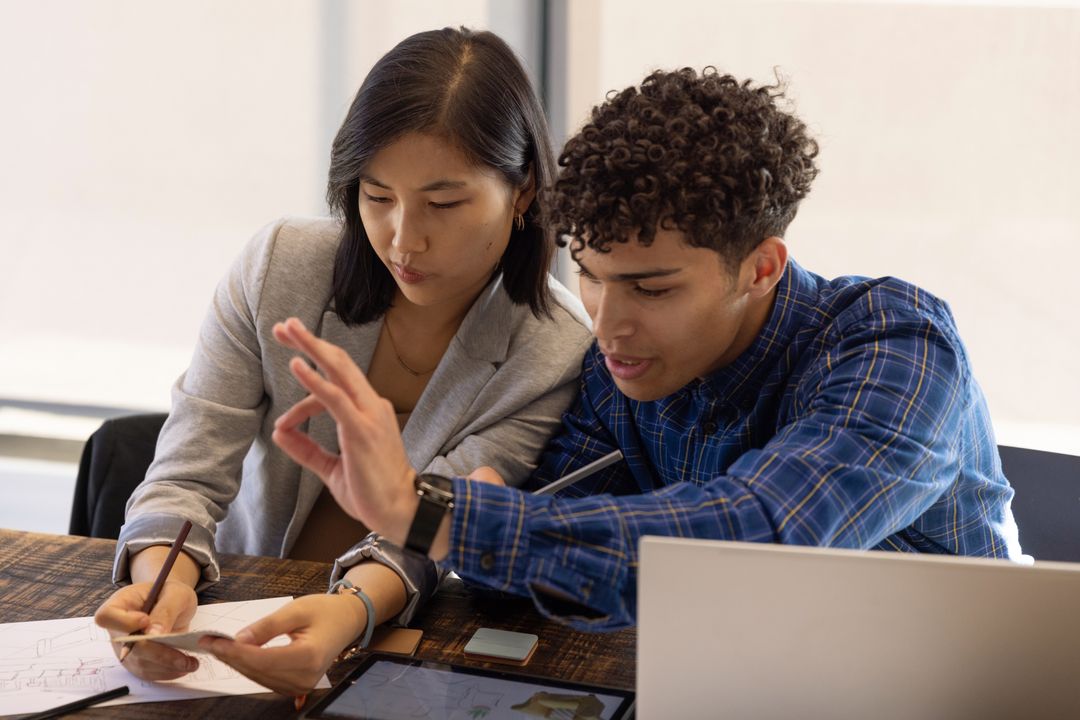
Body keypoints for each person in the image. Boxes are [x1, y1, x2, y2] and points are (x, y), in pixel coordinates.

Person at [221, 66, 1022, 653]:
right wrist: (482, 518)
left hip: (953, 684)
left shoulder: (897, 345)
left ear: (763, 267)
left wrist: (435, 511)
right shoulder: (617, 374)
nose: (609, 325)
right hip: (731, 675)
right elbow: (532, 564)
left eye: (651, 288)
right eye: (592, 279)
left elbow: (760, 540)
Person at [92, 27, 592, 693]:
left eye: (444, 202)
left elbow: (436, 528)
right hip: (227, 612)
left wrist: (350, 612)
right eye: (376, 195)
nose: (403, 237)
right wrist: (158, 589)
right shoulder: (281, 267)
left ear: (524, 191)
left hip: (396, 644)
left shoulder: (554, 349)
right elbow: (186, 474)